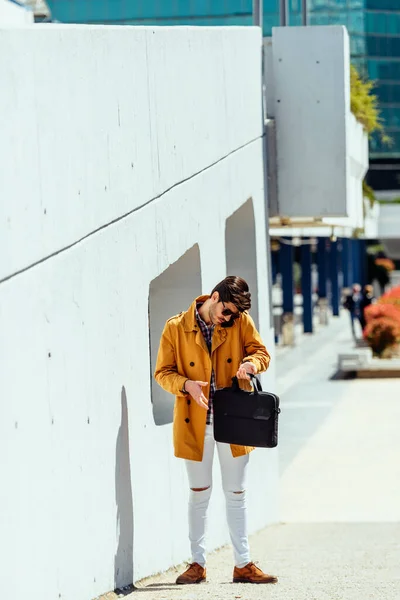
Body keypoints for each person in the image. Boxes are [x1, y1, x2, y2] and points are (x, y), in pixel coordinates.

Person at [154, 276, 277, 585]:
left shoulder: (241, 321)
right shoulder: (175, 327)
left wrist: (250, 364)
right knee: (199, 495)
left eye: (234, 314)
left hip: (234, 421)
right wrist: (185, 385)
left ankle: (243, 564)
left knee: (236, 494)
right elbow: (162, 373)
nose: (230, 318)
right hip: (194, 424)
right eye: (227, 312)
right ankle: (197, 564)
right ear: (213, 297)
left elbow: (262, 353)